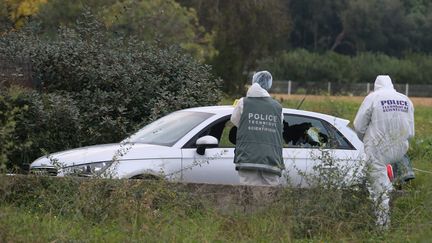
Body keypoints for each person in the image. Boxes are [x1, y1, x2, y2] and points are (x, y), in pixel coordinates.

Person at [354, 75, 415, 229]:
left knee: (379, 189)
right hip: (400, 149)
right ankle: (401, 210)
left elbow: (359, 126)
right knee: (389, 182)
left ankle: (382, 227)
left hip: (378, 149)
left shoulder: (373, 97)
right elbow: (411, 132)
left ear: (376, 86)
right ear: (391, 85)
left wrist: (366, 141)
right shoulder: (405, 99)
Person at [231, 71, 284, 186]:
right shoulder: (278, 107)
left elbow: (235, 121)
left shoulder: (242, 103)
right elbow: (280, 127)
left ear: (254, 81)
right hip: (271, 159)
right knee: (269, 199)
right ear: (269, 84)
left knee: (248, 197)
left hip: (247, 158)